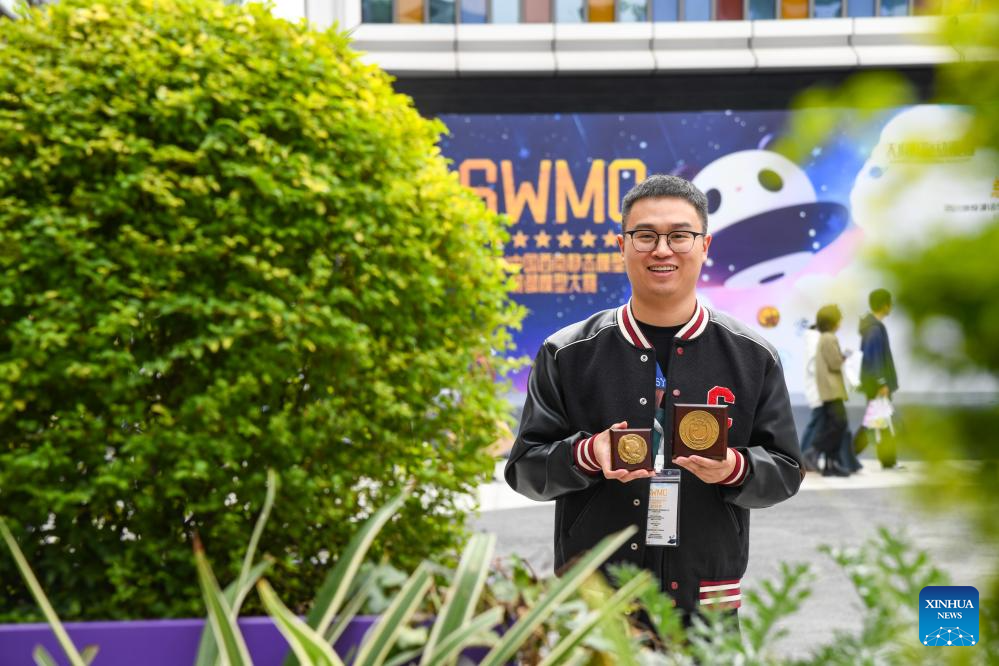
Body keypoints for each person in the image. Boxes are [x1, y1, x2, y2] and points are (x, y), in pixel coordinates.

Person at [504, 174, 803, 628]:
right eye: (645, 236)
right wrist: (587, 454)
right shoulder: (567, 353)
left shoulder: (751, 356)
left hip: (707, 601)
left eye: (680, 235)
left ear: (705, 245)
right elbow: (525, 470)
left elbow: (786, 470)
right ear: (621, 246)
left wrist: (734, 468)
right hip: (596, 603)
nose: (662, 250)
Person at [858, 288, 900, 468]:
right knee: (874, 423)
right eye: (890, 303)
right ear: (885, 305)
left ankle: (888, 461)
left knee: (880, 422)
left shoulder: (872, 327)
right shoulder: (874, 329)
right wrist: (882, 382)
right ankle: (847, 456)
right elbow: (874, 358)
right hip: (877, 385)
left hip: (874, 384)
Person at [812, 305, 852, 477]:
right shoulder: (829, 338)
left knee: (834, 425)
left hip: (828, 390)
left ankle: (830, 465)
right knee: (839, 425)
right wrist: (845, 356)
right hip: (832, 389)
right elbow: (835, 363)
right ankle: (814, 449)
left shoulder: (823, 337)